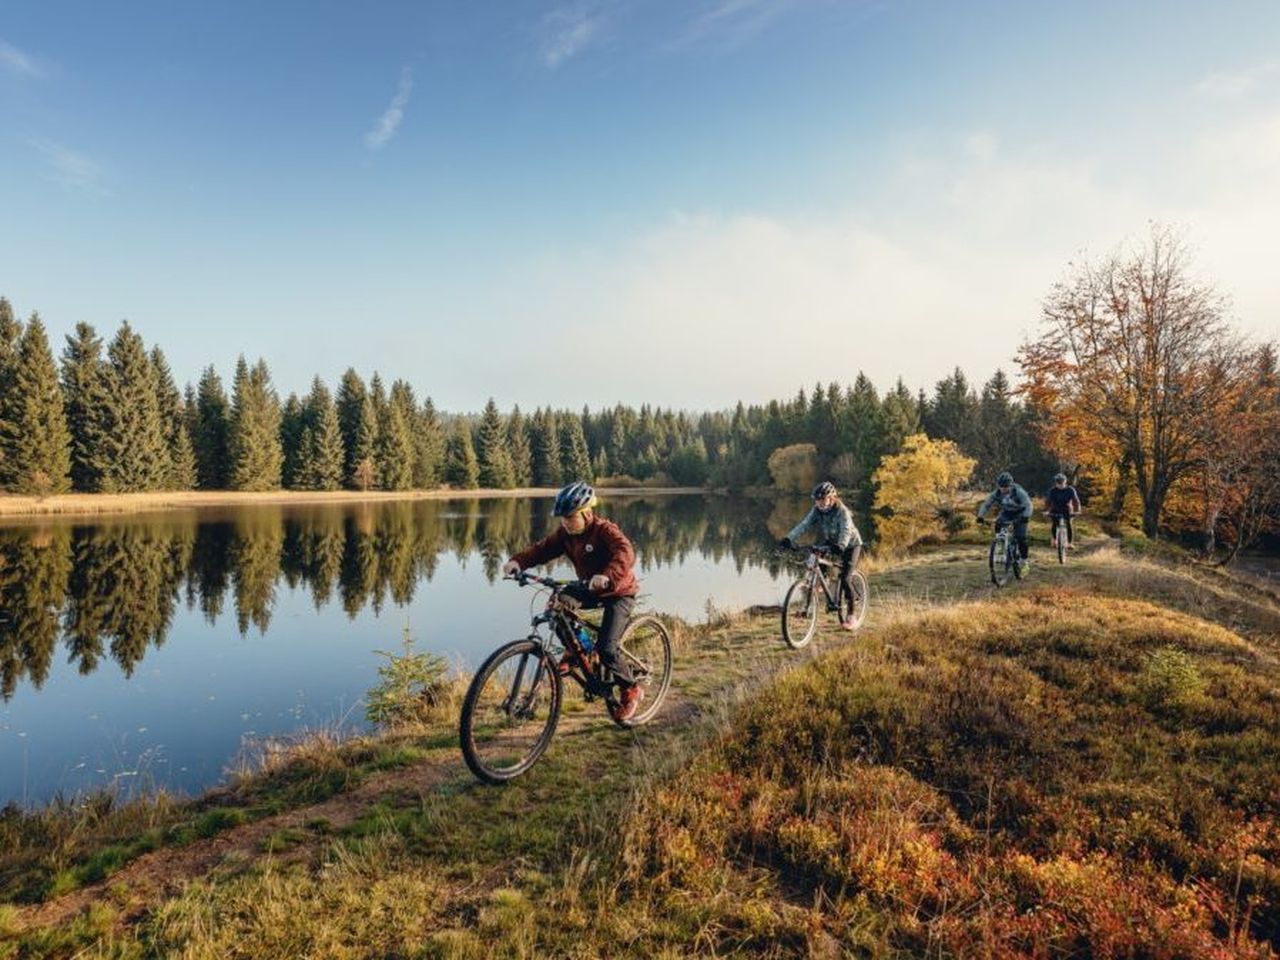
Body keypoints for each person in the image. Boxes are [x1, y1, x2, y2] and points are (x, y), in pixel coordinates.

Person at [502, 480, 644, 721]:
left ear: (586, 512)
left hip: (618, 592)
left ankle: (631, 688)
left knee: (608, 648)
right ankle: (578, 651)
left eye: (570, 517)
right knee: (557, 607)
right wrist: (518, 561)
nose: (566, 522)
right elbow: (542, 549)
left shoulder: (604, 530)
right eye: (563, 518)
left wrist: (606, 576)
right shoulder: (565, 535)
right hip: (589, 588)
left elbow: (625, 552)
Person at [779, 481, 864, 629]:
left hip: (850, 544)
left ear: (832, 498)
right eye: (817, 500)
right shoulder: (817, 510)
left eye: (822, 499)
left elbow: (846, 529)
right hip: (831, 542)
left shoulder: (841, 511)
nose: (819, 503)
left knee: (845, 578)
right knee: (815, 559)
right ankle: (811, 599)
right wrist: (789, 538)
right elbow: (804, 525)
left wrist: (842, 545)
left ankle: (851, 616)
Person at [976, 471, 1034, 565]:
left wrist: (1026, 516)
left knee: (1021, 537)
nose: (1003, 489)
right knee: (998, 525)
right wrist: (980, 516)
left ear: (1010, 485)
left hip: (1021, 513)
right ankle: (1000, 547)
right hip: (1006, 513)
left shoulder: (1019, 492)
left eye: (1006, 487)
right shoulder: (997, 493)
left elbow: (1028, 505)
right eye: (1001, 487)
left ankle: (1024, 559)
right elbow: (986, 504)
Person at [1045, 472, 1081, 549]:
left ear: (1065, 482)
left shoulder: (1070, 490)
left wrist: (1077, 510)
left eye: (1062, 482)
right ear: (1056, 483)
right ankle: (1054, 540)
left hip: (1067, 509)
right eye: (1058, 483)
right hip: (1055, 509)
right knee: (1054, 523)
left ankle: (1069, 543)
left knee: (1069, 524)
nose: (1060, 485)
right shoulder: (1053, 491)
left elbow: (1075, 501)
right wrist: (1046, 511)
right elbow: (1048, 501)